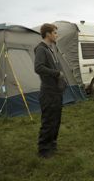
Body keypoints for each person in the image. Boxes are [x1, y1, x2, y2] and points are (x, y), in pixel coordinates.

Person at [34, 23, 67, 158]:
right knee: (48, 121)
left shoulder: (51, 48)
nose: (56, 35)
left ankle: (52, 144)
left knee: (56, 120)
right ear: (47, 34)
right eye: (54, 32)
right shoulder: (41, 49)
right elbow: (38, 68)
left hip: (56, 91)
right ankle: (43, 150)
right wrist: (56, 73)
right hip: (48, 92)